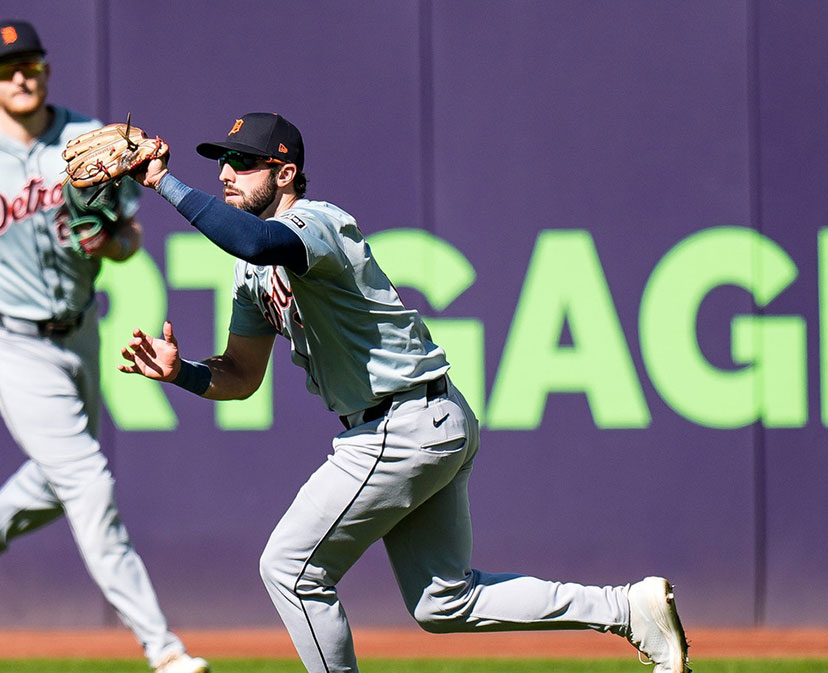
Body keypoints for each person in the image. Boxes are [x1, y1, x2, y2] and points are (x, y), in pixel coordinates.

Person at [118, 112, 690, 673]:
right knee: (445, 602)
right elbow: (241, 376)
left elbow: (258, 242)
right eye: (222, 160)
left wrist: (162, 182)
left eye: (242, 162)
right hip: (425, 421)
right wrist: (183, 373)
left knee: (290, 569)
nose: (226, 172)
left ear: (284, 172)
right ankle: (626, 609)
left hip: (401, 424)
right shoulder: (252, 276)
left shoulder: (316, 224)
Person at [0, 19, 207, 673]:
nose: (19, 76)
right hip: (6, 334)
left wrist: (109, 242)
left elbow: (128, 240)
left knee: (62, 476)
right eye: (5, 69)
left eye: (28, 63)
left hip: (79, 326)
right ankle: (163, 647)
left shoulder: (88, 139)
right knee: (87, 478)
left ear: (47, 68)